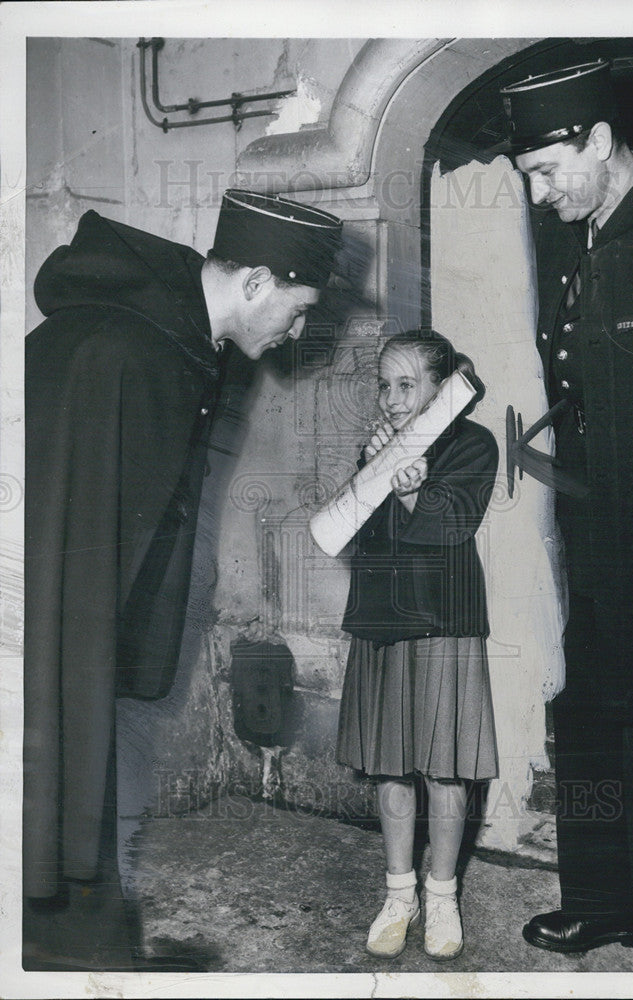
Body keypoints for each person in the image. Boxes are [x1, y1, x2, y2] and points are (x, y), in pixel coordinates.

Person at [23, 189, 343, 970]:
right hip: (52, 618)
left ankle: (86, 949)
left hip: (80, 616)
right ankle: (73, 954)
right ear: (257, 282)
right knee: (63, 759)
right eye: (297, 309)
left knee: (81, 764)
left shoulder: (162, 340)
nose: (297, 331)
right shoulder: (119, 348)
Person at [498, 60, 633, 971]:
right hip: (596, 527)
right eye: (529, 180)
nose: (542, 195)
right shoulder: (584, 227)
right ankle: (601, 898)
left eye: (550, 170)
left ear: (598, 138)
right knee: (585, 719)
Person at [336, 330, 499, 962]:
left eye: (408, 385)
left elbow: (453, 523)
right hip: (383, 619)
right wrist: (376, 471)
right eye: (385, 384)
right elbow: (357, 526)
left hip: (445, 621)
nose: (393, 398)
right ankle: (399, 895)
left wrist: (407, 489)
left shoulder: (473, 444)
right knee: (389, 761)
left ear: (440, 386)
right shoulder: (378, 445)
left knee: (444, 766)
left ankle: (442, 896)